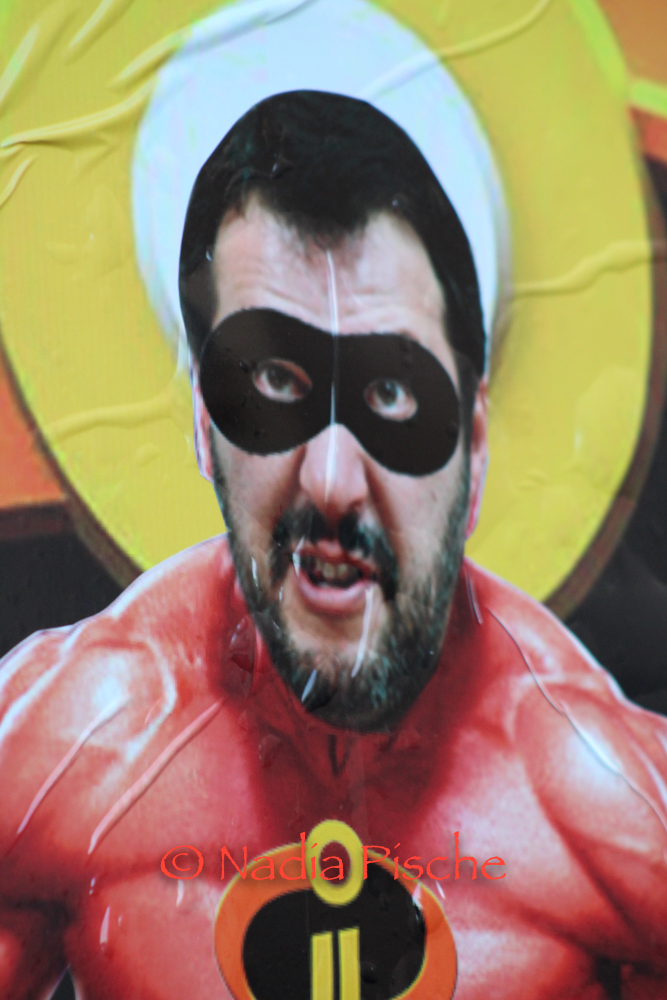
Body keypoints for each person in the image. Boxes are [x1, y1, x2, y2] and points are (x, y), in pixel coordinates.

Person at [1, 90, 666, 1000]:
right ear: (202, 421)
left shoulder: (605, 804)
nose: (330, 480)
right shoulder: (63, 747)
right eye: (276, 382)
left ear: (474, 447)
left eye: (390, 394)